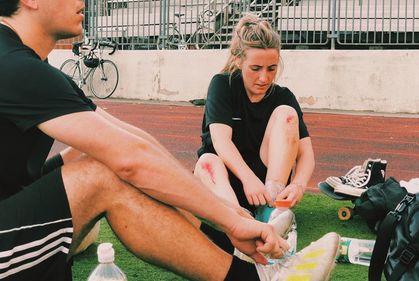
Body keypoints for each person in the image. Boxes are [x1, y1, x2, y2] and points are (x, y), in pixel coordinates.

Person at [0, 1, 339, 281]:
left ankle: (230, 247)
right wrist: (232, 220)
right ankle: (257, 279)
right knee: (104, 177)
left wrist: (228, 212)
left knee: (100, 157)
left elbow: (131, 139)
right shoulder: (13, 65)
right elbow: (132, 158)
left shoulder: (26, 62)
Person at [195, 14, 314, 217]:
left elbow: (306, 154)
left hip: (266, 188)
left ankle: (269, 213)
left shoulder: (284, 97)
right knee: (207, 161)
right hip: (224, 183)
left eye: (272, 69)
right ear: (238, 60)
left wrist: (298, 185)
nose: (264, 77)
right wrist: (248, 180)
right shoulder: (223, 85)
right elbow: (221, 142)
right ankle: (239, 221)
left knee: (287, 114)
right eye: (256, 68)